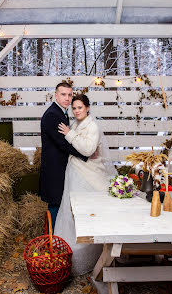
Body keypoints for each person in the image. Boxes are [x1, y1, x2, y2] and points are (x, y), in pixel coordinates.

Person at [54, 94, 117, 275]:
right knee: (71, 211)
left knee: (89, 213)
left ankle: (97, 254)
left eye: (80, 107)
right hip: (74, 171)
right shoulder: (75, 124)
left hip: (89, 174)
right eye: (74, 108)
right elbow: (78, 148)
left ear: (87, 108)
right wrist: (71, 134)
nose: (76, 111)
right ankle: (71, 257)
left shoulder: (92, 126)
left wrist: (70, 134)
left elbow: (89, 149)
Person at [39, 82, 88, 230]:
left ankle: (55, 238)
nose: (67, 98)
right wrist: (85, 155)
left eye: (69, 95)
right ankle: (51, 241)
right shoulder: (53, 115)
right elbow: (63, 144)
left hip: (60, 167)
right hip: (54, 169)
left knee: (59, 204)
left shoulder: (61, 112)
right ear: (55, 95)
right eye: (63, 94)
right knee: (55, 204)